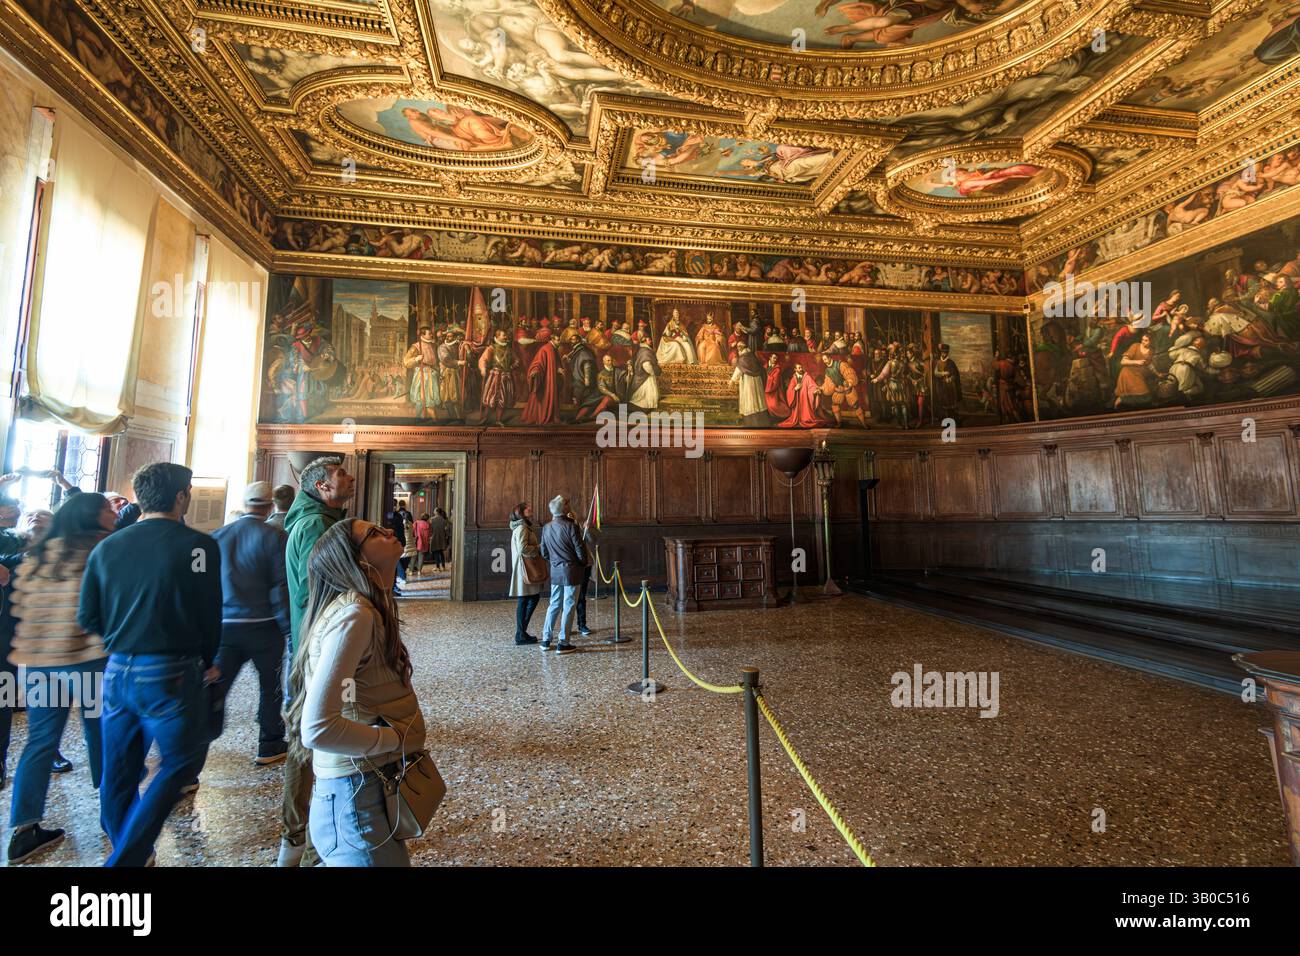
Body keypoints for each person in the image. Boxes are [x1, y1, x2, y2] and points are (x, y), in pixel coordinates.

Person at [79, 463, 222, 867]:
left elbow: (88, 615)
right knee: (179, 763)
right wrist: (210, 661)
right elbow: (209, 612)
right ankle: (127, 856)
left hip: (118, 670)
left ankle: (125, 844)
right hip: (171, 671)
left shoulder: (108, 547)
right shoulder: (197, 546)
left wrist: (122, 639)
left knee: (119, 770)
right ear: (181, 496)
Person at [286, 519, 426, 867]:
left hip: (364, 791)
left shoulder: (366, 608)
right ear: (356, 559)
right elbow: (317, 727)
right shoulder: (354, 615)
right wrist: (392, 739)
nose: (390, 532)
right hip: (354, 797)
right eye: (374, 534)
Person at [5, 492, 115, 863]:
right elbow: (101, 608)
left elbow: (22, 606)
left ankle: (24, 830)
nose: (113, 513)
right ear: (92, 516)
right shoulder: (97, 550)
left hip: (38, 661)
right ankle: (111, 816)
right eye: (106, 509)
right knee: (100, 736)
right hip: (84, 658)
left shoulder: (38, 553)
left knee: (39, 743)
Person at [280, 454, 354, 867]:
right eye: (341, 474)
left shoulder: (322, 521)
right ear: (322, 486)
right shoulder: (313, 526)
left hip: (325, 643)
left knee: (320, 732)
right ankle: (302, 842)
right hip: (318, 646)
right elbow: (320, 589)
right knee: (309, 736)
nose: (349, 477)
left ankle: (310, 836)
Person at [210, 481, 291, 766]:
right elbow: (280, 586)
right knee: (271, 686)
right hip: (265, 626)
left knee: (217, 686)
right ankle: (269, 743)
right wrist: (288, 628)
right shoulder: (275, 537)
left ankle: (195, 747)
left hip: (225, 625)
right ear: (270, 506)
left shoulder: (218, 536)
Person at [538, 496, 586, 654]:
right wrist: (582, 563)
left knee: (554, 604)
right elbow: (581, 551)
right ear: (564, 509)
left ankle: (545, 639)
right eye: (567, 505)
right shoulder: (571, 526)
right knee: (569, 605)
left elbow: (544, 552)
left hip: (555, 570)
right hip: (571, 571)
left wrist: (555, 562)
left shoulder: (546, 527)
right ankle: (563, 642)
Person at [508, 503, 543, 646]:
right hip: (524, 568)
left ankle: (521, 633)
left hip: (522, 567)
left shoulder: (523, 527)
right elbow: (523, 548)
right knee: (526, 600)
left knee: (528, 599)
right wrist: (539, 547)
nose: (531, 508)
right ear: (521, 513)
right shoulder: (522, 528)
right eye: (527, 508)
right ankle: (520, 634)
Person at [567, 508, 596, 638]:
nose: (570, 519)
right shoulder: (561, 528)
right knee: (567, 598)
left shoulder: (579, 526)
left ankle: (582, 624)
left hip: (584, 565)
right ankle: (566, 626)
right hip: (570, 566)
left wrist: (587, 529)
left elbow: (591, 540)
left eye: (571, 517)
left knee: (581, 596)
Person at [412, 513, 431, 577]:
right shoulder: (428, 525)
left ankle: (411, 570)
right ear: (427, 518)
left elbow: (412, 531)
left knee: (413, 556)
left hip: (417, 542)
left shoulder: (417, 523)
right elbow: (430, 534)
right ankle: (419, 571)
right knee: (421, 557)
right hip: (424, 543)